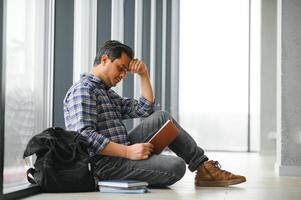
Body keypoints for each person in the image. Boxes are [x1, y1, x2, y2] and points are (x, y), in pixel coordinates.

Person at [63, 40, 246, 187]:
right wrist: (128, 152)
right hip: (104, 164)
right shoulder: (83, 90)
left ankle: (204, 167)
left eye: (126, 71)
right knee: (176, 166)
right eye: (120, 68)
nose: (122, 75)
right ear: (104, 60)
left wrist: (143, 75)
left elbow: (144, 108)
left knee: (162, 117)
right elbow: (85, 136)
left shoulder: (105, 92)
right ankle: (201, 170)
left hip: (122, 151)